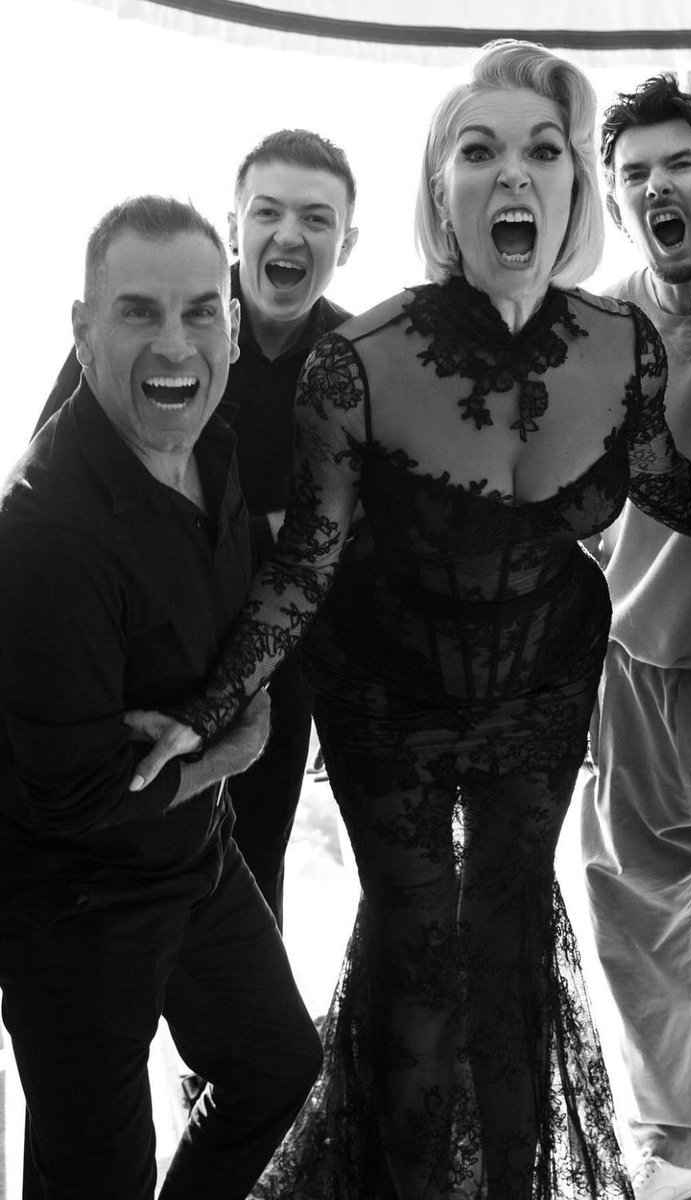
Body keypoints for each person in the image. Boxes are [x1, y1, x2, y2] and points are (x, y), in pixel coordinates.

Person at [127, 39, 691, 1200]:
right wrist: (212, 707)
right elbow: (308, 559)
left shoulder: (624, 346)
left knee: (503, 936)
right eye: (479, 150)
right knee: (420, 942)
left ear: (571, 192)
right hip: (385, 687)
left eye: (543, 151)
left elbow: (674, 487)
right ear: (440, 194)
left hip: (546, 677)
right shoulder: (360, 360)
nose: (514, 174)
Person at [0, 197, 322, 1199]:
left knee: (276, 1066)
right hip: (75, 907)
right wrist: (226, 752)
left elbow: (247, 609)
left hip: (194, 859)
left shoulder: (214, 446)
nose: (174, 340)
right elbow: (73, 797)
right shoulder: (45, 537)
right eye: (138, 311)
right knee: (96, 1177)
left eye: (199, 311)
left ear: (228, 323)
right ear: (83, 331)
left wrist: (231, 710)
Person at [33, 129, 358, 927]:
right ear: (234, 224)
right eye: (267, 211)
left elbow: (349, 537)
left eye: (316, 219)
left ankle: (223, 1046)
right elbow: (53, 485)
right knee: (115, 863)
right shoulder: (144, 332)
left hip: (273, 661)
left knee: (254, 863)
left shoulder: (355, 358)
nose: (289, 235)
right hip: (132, 640)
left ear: (346, 242)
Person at [580, 76, 691, 1200]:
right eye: (633, 173)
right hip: (633, 671)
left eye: (678, 164)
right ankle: (676, 1149)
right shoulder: (594, 325)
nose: (655, 187)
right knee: (637, 919)